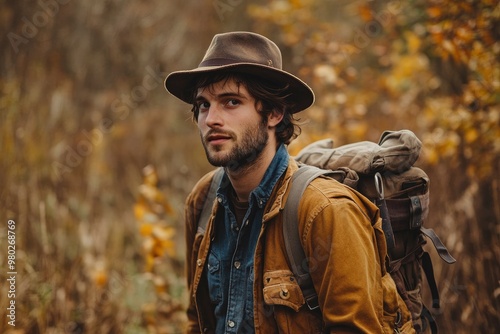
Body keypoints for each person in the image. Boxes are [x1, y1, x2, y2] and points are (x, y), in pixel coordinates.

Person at [164, 31, 414, 334]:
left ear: (274, 113)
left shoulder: (325, 211)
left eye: (231, 102)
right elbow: (198, 319)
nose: (212, 119)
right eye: (203, 105)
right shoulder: (203, 199)